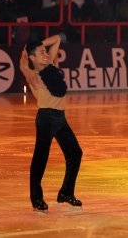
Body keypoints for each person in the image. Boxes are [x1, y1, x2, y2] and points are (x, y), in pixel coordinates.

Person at [19, 35, 83, 212]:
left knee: (75, 154)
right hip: (46, 118)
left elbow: (57, 39)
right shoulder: (35, 76)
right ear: (33, 58)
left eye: (45, 52)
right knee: (41, 158)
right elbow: (23, 66)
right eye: (41, 53)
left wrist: (39, 45)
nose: (46, 54)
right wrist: (25, 54)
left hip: (60, 118)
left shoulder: (51, 67)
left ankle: (66, 193)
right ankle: (36, 199)